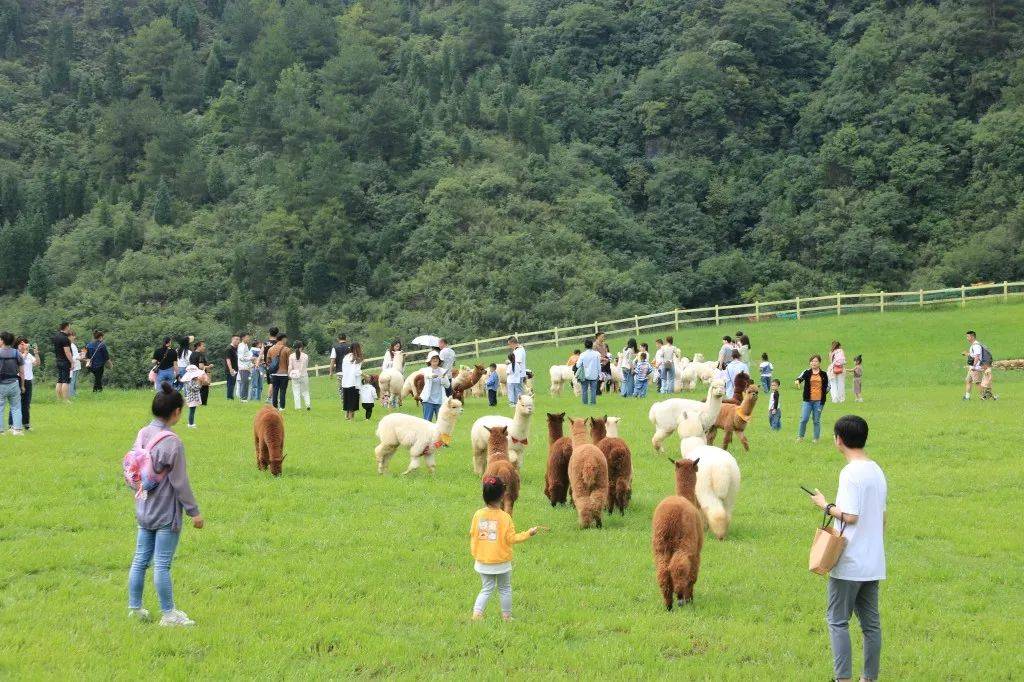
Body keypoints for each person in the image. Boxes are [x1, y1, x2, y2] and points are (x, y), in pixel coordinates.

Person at [809, 415, 887, 682]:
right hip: (873, 561)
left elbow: (851, 516)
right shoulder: (877, 470)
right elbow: (882, 517)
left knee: (838, 621)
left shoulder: (850, 473)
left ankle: (842, 679)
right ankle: (869, 678)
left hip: (850, 562)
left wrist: (825, 506)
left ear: (839, 440)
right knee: (871, 625)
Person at [126, 383, 204, 627]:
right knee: (162, 564)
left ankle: (135, 608)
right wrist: (195, 512)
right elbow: (180, 483)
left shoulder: (142, 434)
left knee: (140, 560)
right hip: (165, 513)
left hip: (143, 508)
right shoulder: (173, 443)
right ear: (177, 412)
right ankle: (169, 614)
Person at [469, 476, 539, 622]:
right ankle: (506, 617)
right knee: (504, 588)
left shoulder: (478, 515)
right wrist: (529, 533)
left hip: (482, 561)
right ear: (502, 496)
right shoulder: (505, 517)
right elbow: (512, 538)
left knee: (486, 588)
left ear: (484, 495)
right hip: (501, 563)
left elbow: (473, 534)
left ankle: (477, 614)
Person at [796, 354, 829, 443]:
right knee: (804, 419)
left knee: (816, 420)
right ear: (810, 363)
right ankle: (800, 437)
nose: (814, 363)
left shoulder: (824, 374)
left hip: (819, 401)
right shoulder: (807, 372)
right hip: (807, 400)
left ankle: (816, 438)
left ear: (819, 363)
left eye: (816, 361)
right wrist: (797, 381)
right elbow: (800, 378)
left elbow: (828, 386)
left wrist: (822, 393)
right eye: (812, 361)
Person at [0, 331, 25, 436]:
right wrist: (22, 385)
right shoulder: (17, 353)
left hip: (1, 384)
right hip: (14, 383)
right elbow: (22, 372)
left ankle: (1, 431)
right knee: (16, 407)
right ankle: (17, 430)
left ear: (2, 340)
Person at [11, 338, 38, 431]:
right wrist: (26, 352)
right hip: (18, 380)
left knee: (26, 403)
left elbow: (37, 363)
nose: (24, 345)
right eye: (22, 344)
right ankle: (12, 424)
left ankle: (26, 423)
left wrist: (36, 353)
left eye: (25, 344)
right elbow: (20, 361)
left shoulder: (29, 354)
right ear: (18, 345)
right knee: (16, 403)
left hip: (28, 380)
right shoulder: (15, 354)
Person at [420, 354, 449, 422]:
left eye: (437, 358)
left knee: (441, 422)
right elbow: (425, 376)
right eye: (433, 358)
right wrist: (431, 376)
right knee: (427, 422)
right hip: (428, 400)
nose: (435, 360)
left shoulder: (443, 371)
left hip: (440, 400)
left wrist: (444, 377)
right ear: (429, 360)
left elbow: (447, 385)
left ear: (439, 360)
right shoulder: (425, 370)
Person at [267, 333, 292, 411]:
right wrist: (289, 373)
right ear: (283, 339)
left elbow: (268, 361)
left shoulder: (270, 349)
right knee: (283, 390)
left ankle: (274, 407)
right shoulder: (287, 349)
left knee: (275, 390)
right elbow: (289, 363)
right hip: (284, 373)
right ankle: (282, 407)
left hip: (274, 373)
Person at [53, 321, 73, 403]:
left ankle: (59, 399)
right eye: (69, 327)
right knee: (65, 381)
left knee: (60, 380)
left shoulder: (56, 336)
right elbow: (67, 352)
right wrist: (72, 362)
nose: (70, 328)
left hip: (58, 360)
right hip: (65, 361)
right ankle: (65, 400)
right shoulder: (65, 338)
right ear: (66, 327)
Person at [962, 330, 985, 400]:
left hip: (976, 367)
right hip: (972, 367)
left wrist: (974, 366)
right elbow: (973, 355)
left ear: (972, 337)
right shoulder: (973, 345)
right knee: (968, 381)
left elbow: (977, 357)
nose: (967, 338)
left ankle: (983, 397)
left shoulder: (976, 345)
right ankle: (967, 397)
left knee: (977, 383)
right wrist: (967, 354)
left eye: (968, 336)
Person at [330, 334, 352, 408]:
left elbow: (333, 360)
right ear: (346, 338)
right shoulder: (350, 347)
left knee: (341, 388)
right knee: (349, 387)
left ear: (338, 339)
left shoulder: (335, 348)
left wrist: (331, 372)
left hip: (340, 371)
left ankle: (344, 404)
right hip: (349, 371)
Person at [577, 339, 601, 405]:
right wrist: (600, 374)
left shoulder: (582, 354)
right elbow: (599, 365)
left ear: (585, 346)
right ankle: (593, 403)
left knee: (584, 390)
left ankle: (585, 403)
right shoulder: (596, 354)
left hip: (584, 375)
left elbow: (578, 365)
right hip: (594, 375)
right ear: (592, 345)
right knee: (593, 390)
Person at [506, 336, 526, 407]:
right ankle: (517, 402)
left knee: (519, 389)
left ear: (513, 343)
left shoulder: (519, 351)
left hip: (518, 374)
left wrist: (509, 362)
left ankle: (521, 402)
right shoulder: (517, 350)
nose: (509, 346)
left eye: (509, 344)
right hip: (517, 374)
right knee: (516, 389)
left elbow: (518, 362)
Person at [190, 341, 211, 406]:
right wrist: (209, 366)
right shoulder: (200, 355)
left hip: (193, 374)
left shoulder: (192, 354)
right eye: (203, 346)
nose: (204, 347)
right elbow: (201, 366)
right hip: (200, 374)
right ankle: (203, 404)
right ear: (199, 346)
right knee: (204, 388)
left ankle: (195, 402)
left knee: (195, 389)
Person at [237, 333, 252, 403]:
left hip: (247, 367)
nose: (248, 339)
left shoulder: (245, 345)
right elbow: (241, 358)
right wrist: (250, 358)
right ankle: (243, 398)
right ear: (243, 338)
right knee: (244, 382)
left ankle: (245, 398)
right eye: (247, 337)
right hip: (243, 367)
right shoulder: (241, 346)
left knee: (246, 382)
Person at [223, 335, 240, 400]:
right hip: (230, 369)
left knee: (233, 383)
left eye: (238, 339)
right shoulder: (229, 348)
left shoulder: (236, 348)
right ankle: (229, 397)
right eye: (236, 339)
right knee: (230, 383)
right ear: (232, 339)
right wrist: (230, 369)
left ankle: (231, 396)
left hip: (236, 369)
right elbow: (228, 359)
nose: (237, 341)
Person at [68, 332, 82, 398]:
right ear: (69, 336)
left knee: (74, 381)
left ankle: (74, 393)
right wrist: (79, 357)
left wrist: (80, 354)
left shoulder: (73, 344)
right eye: (73, 336)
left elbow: (75, 354)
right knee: (72, 381)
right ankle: (71, 395)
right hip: (73, 365)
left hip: (77, 365)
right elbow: (71, 356)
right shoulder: (68, 345)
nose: (74, 337)